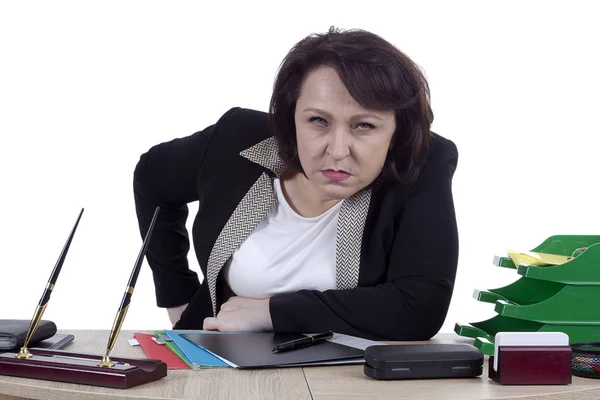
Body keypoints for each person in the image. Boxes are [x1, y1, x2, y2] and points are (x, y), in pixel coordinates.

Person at [133, 26, 459, 341]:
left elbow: (418, 307)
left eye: (364, 126)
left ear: (396, 132)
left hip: (350, 383)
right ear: (291, 116)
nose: (337, 150)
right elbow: (152, 178)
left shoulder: (421, 164)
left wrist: (269, 313)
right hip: (223, 368)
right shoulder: (234, 140)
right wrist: (176, 295)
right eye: (318, 121)